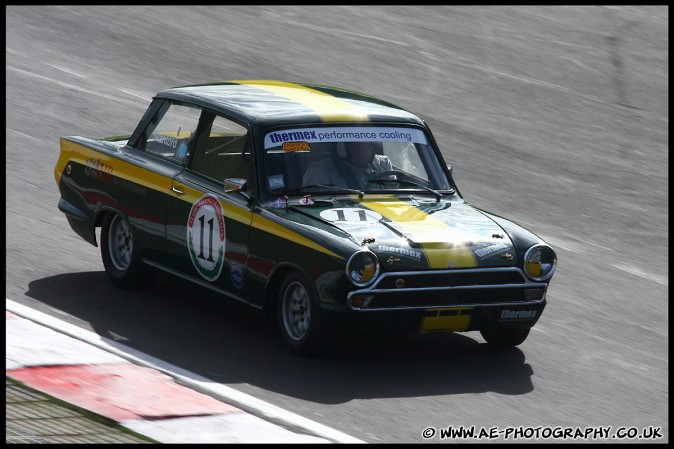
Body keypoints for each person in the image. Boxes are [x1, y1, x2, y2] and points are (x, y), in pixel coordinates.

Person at [302, 141, 392, 190]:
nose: (364, 152)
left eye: (369, 146)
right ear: (343, 147)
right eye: (358, 145)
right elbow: (313, 207)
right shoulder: (319, 171)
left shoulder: (383, 165)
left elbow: (397, 197)